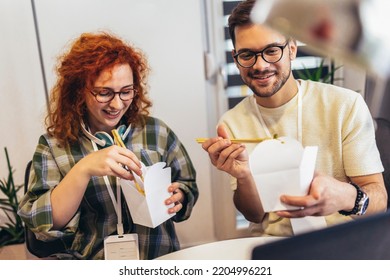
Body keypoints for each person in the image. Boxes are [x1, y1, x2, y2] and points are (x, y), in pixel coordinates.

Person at [201, 0, 387, 237]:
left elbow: (379, 200)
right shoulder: (231, 122)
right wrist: (244, 176)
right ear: (236, 58)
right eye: (247, 54)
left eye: (271, 50)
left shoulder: (344, 105)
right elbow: (254, 215)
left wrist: (344, 195)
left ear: (292, 49)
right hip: (272, 246)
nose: (260, 65)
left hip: (340, 242)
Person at [18, 31, 198, 259]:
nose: (116, 103)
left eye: (126, 92)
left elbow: (187, 184)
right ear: (79, 91)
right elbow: (42, 224)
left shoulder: (157, 132)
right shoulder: (55, 146)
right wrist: (83, 169)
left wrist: (179, 195)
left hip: (159, 261)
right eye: (104, 93)